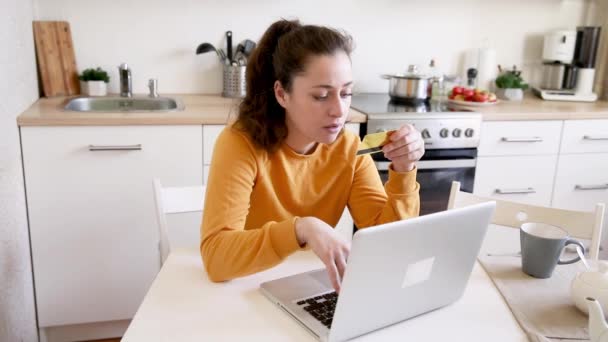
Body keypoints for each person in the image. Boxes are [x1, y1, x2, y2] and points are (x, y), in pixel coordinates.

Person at [201, 19, 424, 292]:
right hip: (245, 287)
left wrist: (403, 169)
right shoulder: (239, 144)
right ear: (282, 94)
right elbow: (216, 259)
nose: (339, 110)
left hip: (311, 285)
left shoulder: (351, 149)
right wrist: (300, 229)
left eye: (346, 93)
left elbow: (389, 245)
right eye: (321, 96)